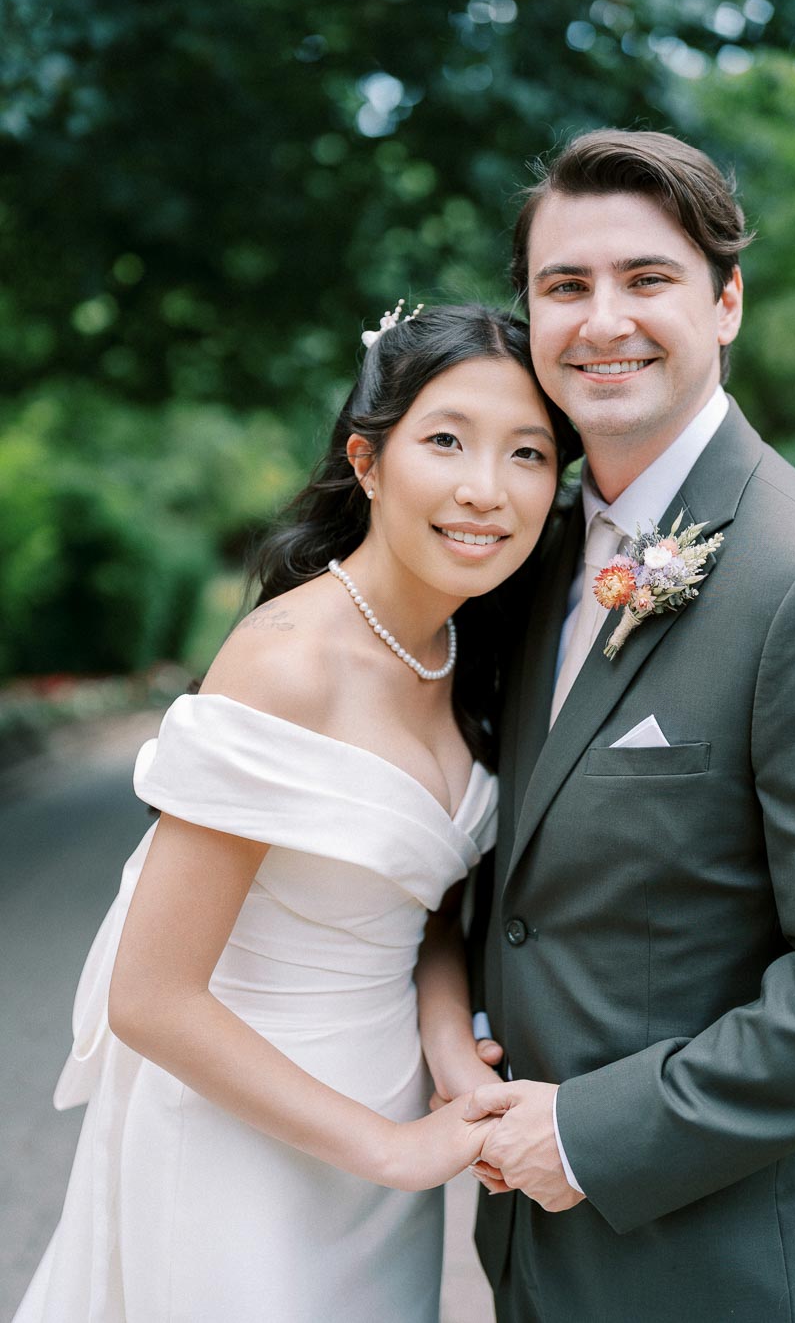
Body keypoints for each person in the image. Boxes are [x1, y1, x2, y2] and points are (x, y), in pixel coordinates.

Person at [13, 303, 578, 1323]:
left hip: (379, 1137)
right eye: (445, 440)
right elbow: (152, 996)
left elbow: (425, 909)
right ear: (366, 460)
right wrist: (395, 1150)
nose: (486, 489)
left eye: (528, 453)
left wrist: (450, 1051)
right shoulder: (286, 664)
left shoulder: (473, 652)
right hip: (243, 1136)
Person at [464, 130, 795, 1322]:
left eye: (647, 278)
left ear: (727, 303)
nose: (604, 319)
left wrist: (594, 1134)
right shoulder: (531, 557)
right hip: (535, 1253)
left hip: (725, 1267)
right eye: (566, 285)